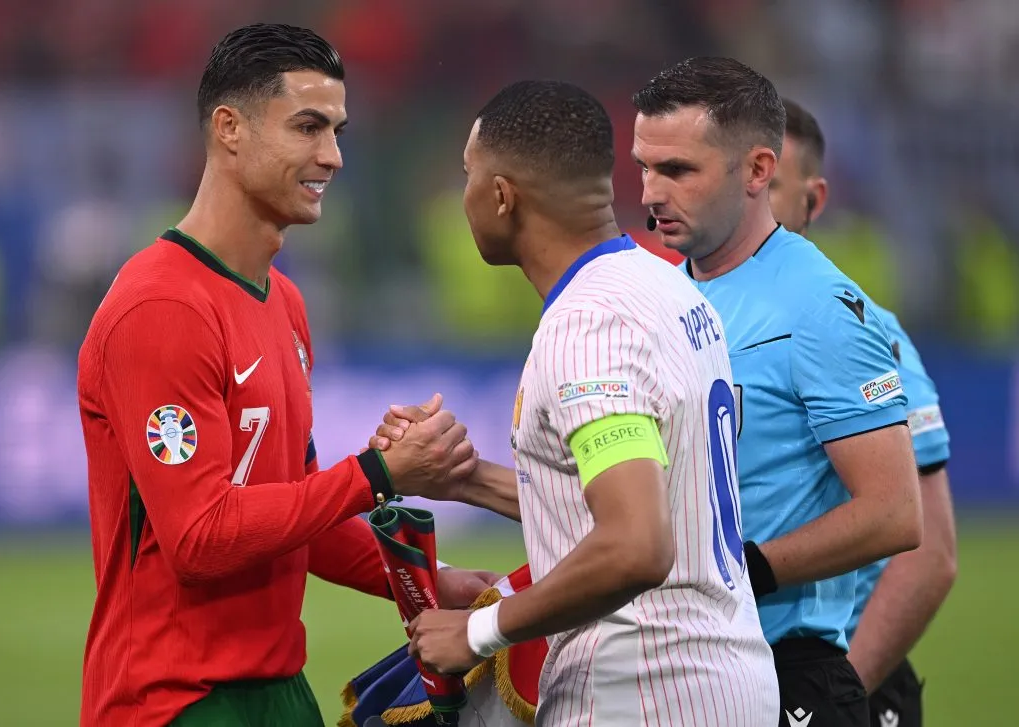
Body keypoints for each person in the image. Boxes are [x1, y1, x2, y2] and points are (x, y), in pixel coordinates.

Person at [77, 23, 493, 727]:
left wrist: (427, 582)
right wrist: (376, 473)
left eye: (336, 131)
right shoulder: (162, 307)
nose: (332, 155)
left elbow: (297, 515)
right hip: (175, 701)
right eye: (307, 127)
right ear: (229, 129)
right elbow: (200, 537)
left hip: (279, 690)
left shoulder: (285, 303)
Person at [375, 79, 779, 726]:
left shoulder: (589, 326)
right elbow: (656, 501)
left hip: (644, 693)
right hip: (725, 676)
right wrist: (466, 479)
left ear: (502, 196)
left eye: (467, 176)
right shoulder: (665, 286)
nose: (463, 195)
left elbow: (637, 544)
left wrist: (479, 632)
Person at [631, 57, 924, 727]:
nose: (650, 192)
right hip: (675, 666)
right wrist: (472, 480)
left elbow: (894, 511)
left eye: (677, 170)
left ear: (758, 170)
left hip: (783, 669)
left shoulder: (819, 307)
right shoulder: (660, 296)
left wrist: (743, 569)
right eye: (644, 167)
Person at [770, 98, 957, 727]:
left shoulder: (862, 330)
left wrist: (843, 692)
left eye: (770, 185)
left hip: (833, 680)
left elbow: (930, 553)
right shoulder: (700, 322)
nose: (750, 202)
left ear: (813, 200)